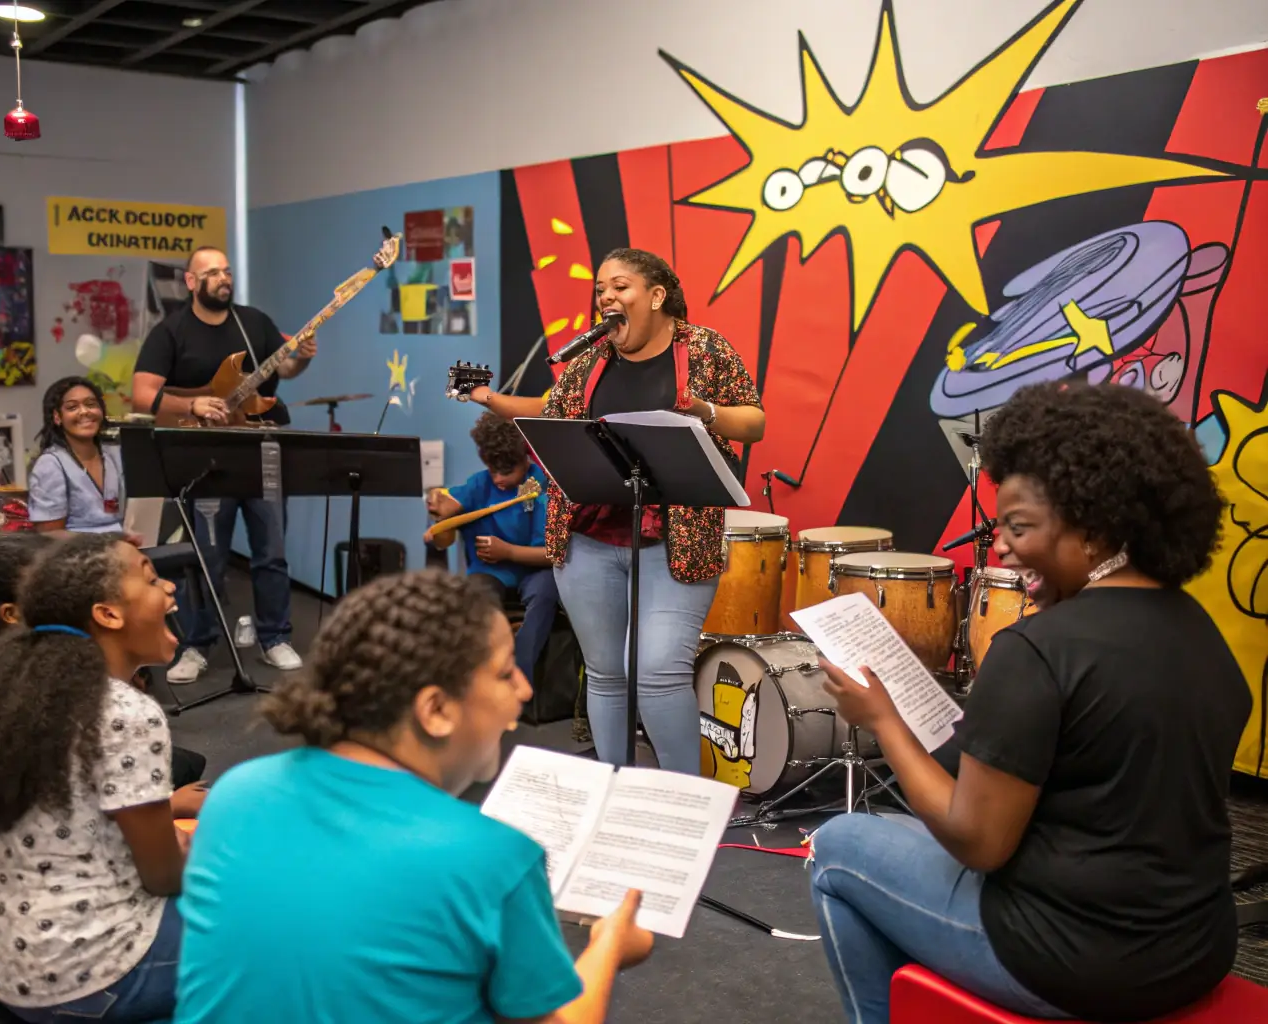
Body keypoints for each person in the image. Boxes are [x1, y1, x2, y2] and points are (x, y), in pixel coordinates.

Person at [809, 381, 1246, 1024]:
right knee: (895, 836)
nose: (1003, 548)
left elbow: (977, 844)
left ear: (1094, 529)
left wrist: (882, 723)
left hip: (1074, 962)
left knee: (839, 846)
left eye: (1019, 528)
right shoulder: (1198, 629)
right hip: (1194, 947)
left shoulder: (1036, 648)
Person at [174, 570, 652, 1024]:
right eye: (506, 672)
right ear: (436, 709)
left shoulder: (235, 793)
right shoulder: (494, 857)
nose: (525, 687)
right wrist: (610, 945)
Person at [476, 248, 764, 773]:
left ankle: (684, 802)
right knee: (606, 672)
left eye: (620, 286)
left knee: (656, 671)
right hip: (589, 537)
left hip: (674, 541)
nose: (606, 297)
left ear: (656, 296)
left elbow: (754, 422)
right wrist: (490, 399)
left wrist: (704, 411)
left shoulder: (704, 349)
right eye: (600, 290)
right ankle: (615, 791)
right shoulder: (592, 357)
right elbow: (553, 410)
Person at [0, 533, 191, 1023]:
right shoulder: (126, 712)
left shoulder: (12, 682)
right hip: (84, 977)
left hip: (0, 954)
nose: (169, 587)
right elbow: (163, 876)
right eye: (150, 578)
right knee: (275, 921)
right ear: (108, 614)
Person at [131, 246, 312, 680]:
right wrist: (192, 405)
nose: (223, 278)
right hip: (207, 455)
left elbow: (284, 370)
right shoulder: (171, 331)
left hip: (263, 447)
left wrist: (301, 355)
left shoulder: (254, 323)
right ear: (191, 282)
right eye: (211, 273)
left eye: (227, 271)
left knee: (272, 550)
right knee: (207, 556)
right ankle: (197, 644)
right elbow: (141, 394)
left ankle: (275, 637)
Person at [424, 412, 557, 685]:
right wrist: (441, 509)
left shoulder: (540, 488)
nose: (498, 479)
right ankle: (483, 679)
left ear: (526, 459)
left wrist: (508, 552)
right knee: (477, 600)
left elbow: (552, 554)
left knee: (546, 594)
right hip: (490, 572)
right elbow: (447, 517)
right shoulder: (479, 484)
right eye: (493, 470)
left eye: (507, 472)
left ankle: (518, 678)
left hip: (534, 569)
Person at [28, 377, 138, 539]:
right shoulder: (50, 464)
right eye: (72, 407)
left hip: (127, 545)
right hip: (78, 556)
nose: (85, 411)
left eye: (91, 404)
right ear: (57, 417)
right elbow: (49, 537)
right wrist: (109, 541)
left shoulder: (115, 453)